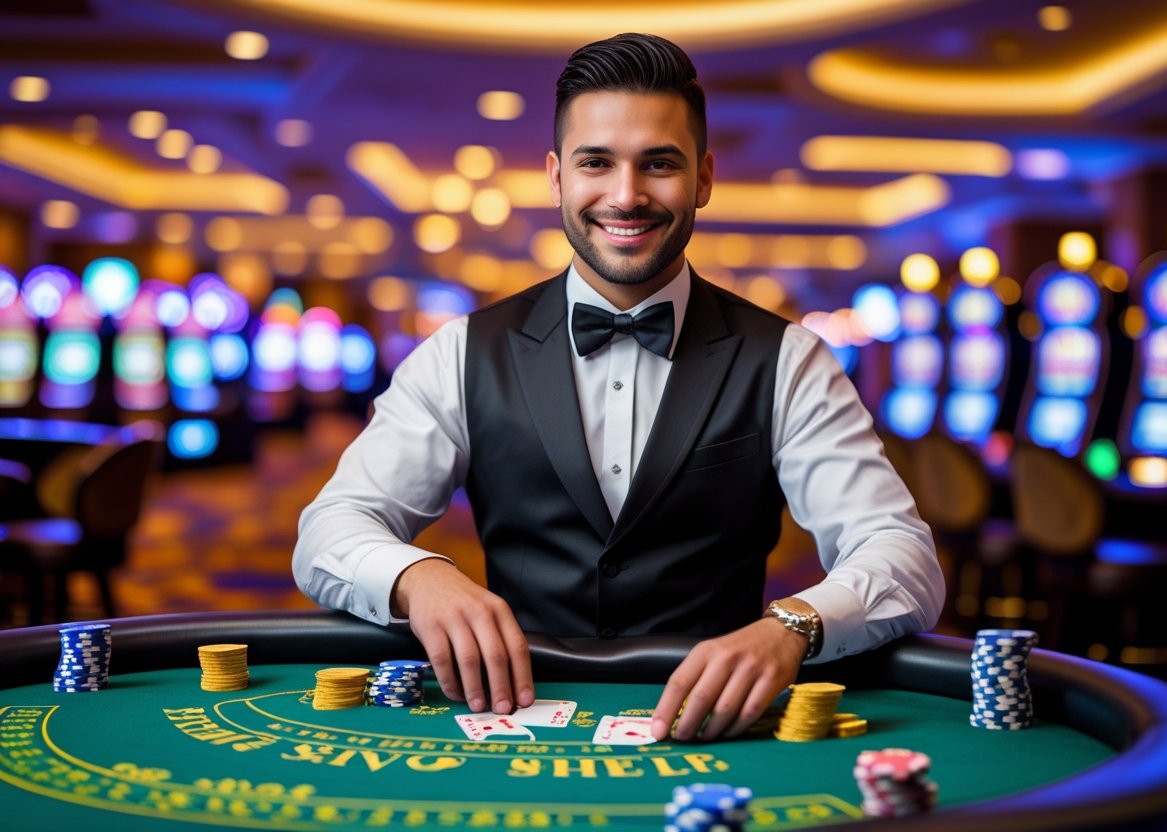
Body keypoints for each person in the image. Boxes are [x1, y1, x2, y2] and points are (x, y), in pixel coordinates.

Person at [293, 32, 943, 743]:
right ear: (556, 178)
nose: (626, 196)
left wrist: (794, 626)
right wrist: (419, 578)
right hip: (515, 724)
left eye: (659, 163)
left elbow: (902, 555)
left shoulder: (789, 359)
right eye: (595, 162)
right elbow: (330, 529)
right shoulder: (460, 352)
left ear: (703, 178)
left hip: (714, 733)